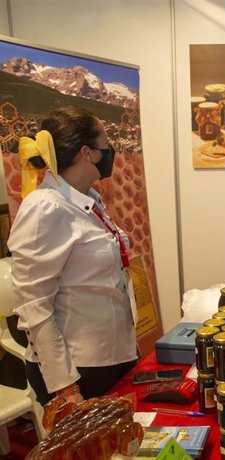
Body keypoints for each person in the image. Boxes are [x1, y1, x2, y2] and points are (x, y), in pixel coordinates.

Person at [9, 106, 137, 405]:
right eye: (106, 142)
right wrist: (65, 386)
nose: (111, 150)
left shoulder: (90, 200)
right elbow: (34, 305)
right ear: (87, 152)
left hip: (113, 354)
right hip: (77, 370)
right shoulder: (45, 208)